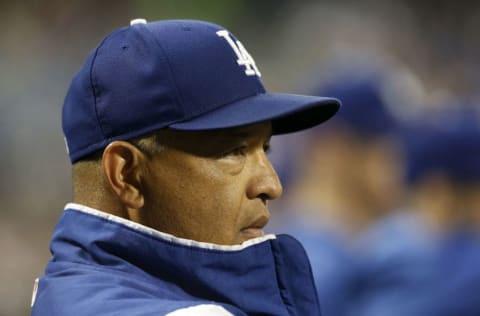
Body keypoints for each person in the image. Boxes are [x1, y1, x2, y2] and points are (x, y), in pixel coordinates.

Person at [31, 19, 340, 315]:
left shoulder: (70, 293)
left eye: (266, 149)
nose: (271, 185)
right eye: (234, 150)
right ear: (127, 175)